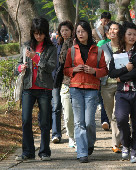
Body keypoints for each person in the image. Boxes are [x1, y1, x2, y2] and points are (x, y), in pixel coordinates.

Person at [64, 20, 108, 163]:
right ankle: (82, 152)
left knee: (89, 122)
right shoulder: (72, 50)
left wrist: (93, 71)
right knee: (79, 122)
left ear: (88, 32)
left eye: (83, 31)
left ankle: (89, 144)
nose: (80, 34)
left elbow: (104, 70)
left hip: (92, 89)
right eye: (78, 31)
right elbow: (65, 70)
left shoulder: (98, 50)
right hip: (75, 88)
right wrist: (73, 70)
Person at [15, 17, 57, 161]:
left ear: (46, 33)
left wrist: (36, 58)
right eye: (36, 33)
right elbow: (18, 64)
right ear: (32, 32)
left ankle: (44, 151)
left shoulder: (51, 48)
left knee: (44, 122)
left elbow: (51, 67)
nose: (38, 36)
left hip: (44, 88)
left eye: (41, 33)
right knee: (26, 120)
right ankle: (27, 152)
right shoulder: (26, 46)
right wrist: (21, 67)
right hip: (28, 87)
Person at [109, 21, 136, 163]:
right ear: (123, 35)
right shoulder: (118, 53)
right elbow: (112, 73)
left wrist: (121, 78)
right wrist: (125, 69)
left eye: (134, 34)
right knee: (121, 119)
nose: (132, 37)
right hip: (122, 94)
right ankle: (126, 144)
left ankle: (135, 152)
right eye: (129, 34)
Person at [100, 21, 122, 153]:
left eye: (116, 29)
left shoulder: (125, 48)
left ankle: (116, 143)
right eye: (111, 30)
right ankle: (120, 137)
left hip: (121, 85)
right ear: (108, 34)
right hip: (106, 85)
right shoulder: (102, 49)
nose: (113, 31)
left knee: (116, 115)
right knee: (110, 115)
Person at [53, 20, 76, 148]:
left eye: (66, 30)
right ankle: (61, 134)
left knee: (75, 112)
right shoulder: (57, 44)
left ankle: (75, 136)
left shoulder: (76, 43)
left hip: (75, 80)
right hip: (60, 81)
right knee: (59, 108)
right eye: (62, 31)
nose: (64, 33)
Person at [92, 12, 111, 130]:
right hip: (101, 65)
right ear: (101, 20)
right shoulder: (95, 31)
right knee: (103, 95)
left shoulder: (114, 31)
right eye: (104, 20)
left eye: (108, 20)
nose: (106, 22)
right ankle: (105, 119)